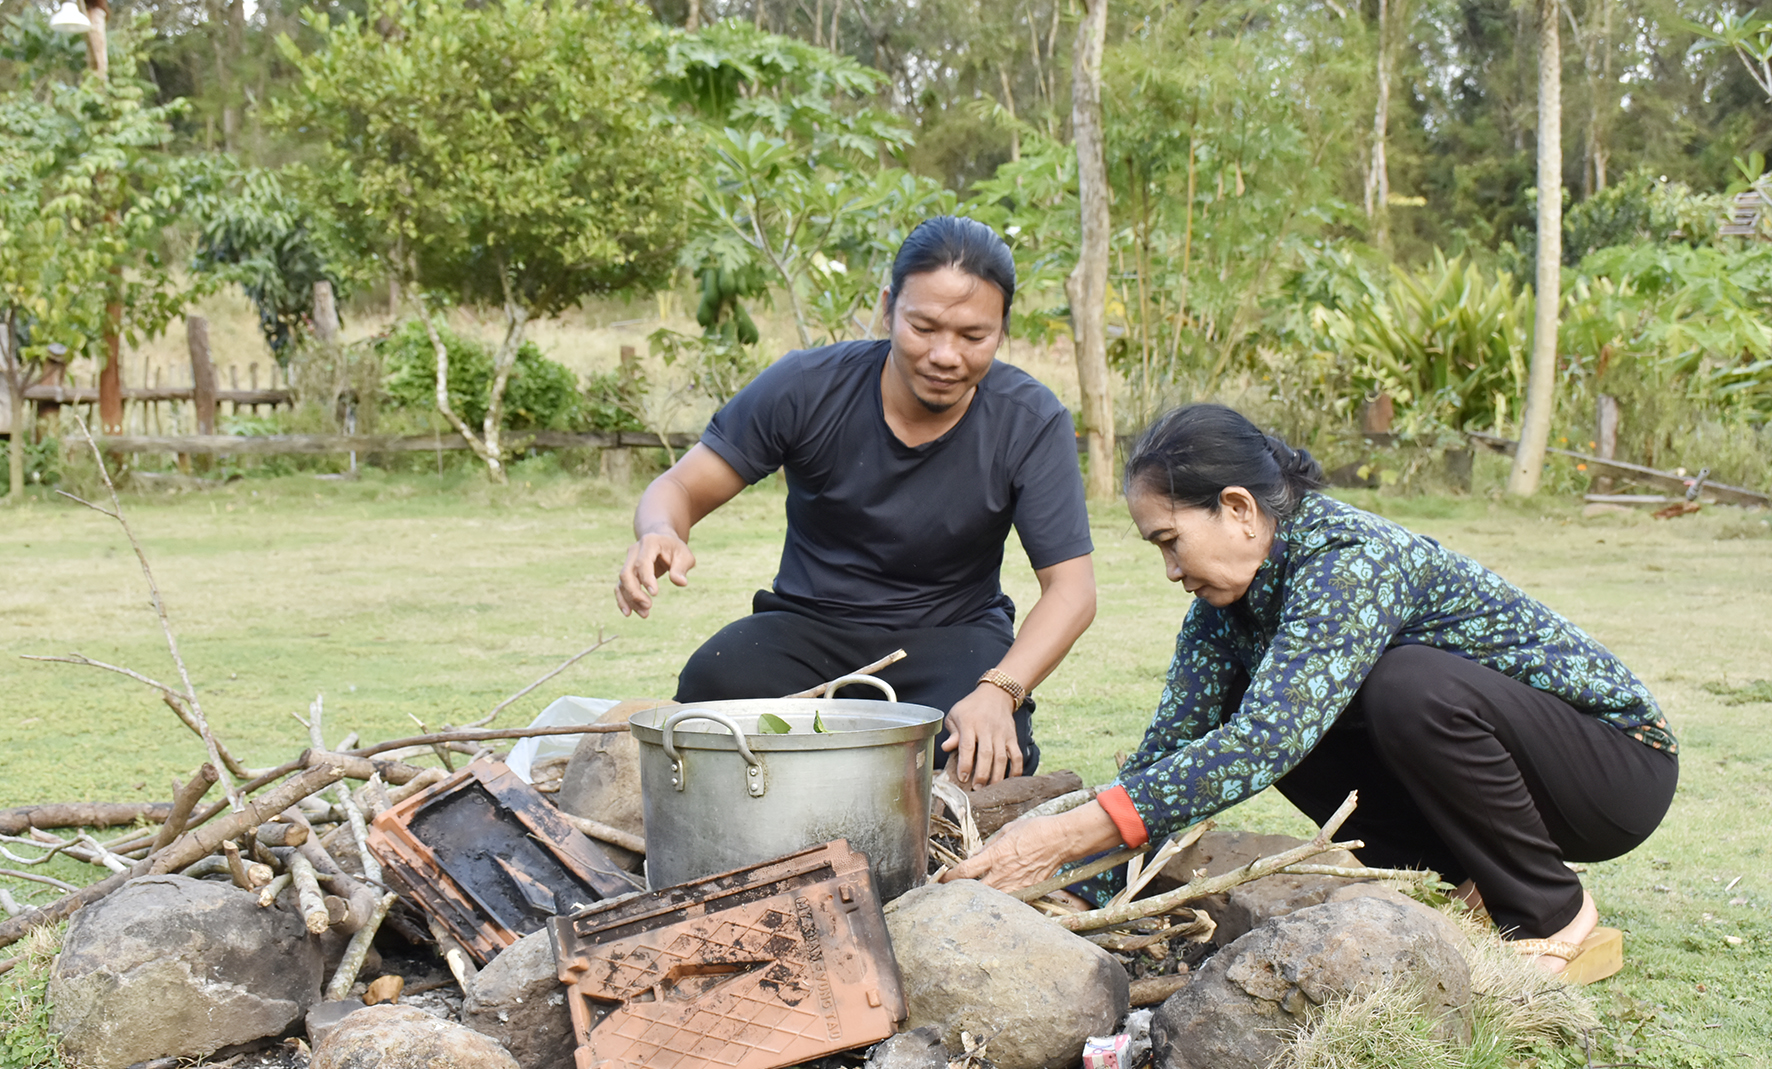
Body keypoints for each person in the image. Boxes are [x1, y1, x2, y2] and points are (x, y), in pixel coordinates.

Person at [946, 403, 1678, 980]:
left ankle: (1552, 913)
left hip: (1618, 769)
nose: (1170, 568)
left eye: (1170, 539)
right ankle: (1477, 879)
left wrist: (1065, 833)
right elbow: (1172, 754)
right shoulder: (1222, 612)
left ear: (1238, 508)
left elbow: (1267, 738)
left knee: (1401, 687)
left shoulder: (1348, 559)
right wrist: (1085, 888)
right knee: (1280, 714)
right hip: (1517, 780)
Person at [614, 216, 1097, 788]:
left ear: (1002, 327)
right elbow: (678, 488)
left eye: (974, 336)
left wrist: (1002, 691)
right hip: (806, 629)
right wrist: (661, 530)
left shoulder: (1030, 420)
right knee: (710, 695)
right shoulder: (806, 387)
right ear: (889, 306)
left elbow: (1072, 591)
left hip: (952, 635)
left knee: (980, 754)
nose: (946, 355)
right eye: (923, 327)